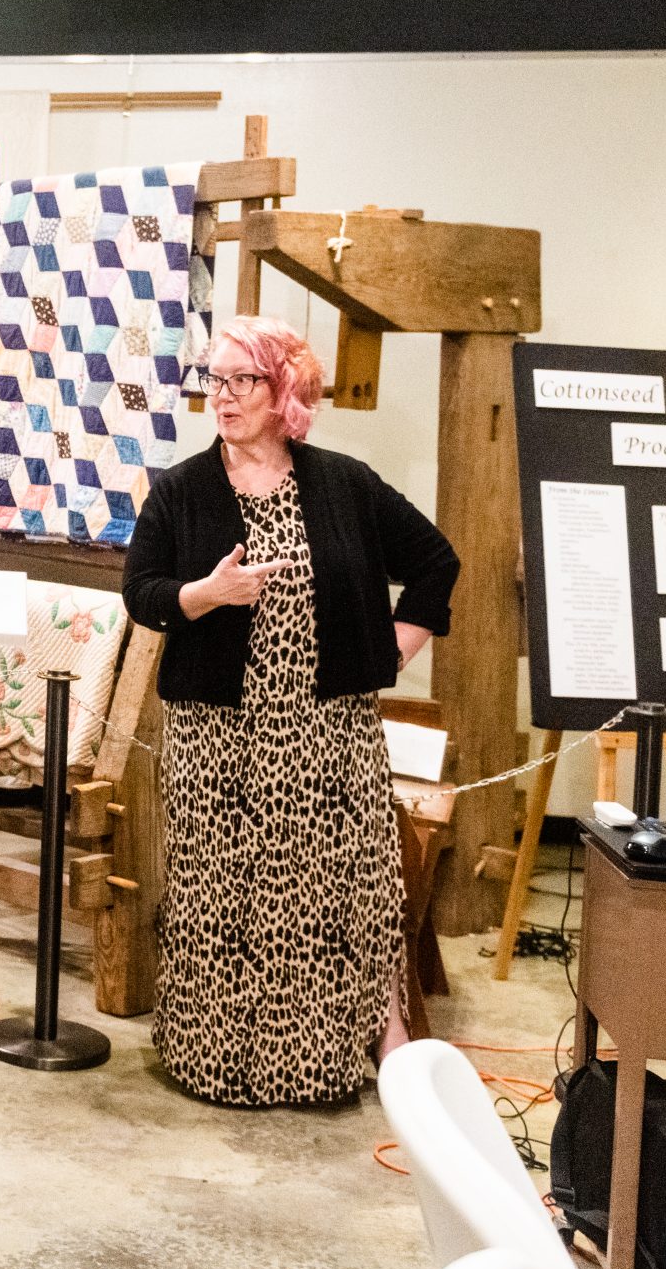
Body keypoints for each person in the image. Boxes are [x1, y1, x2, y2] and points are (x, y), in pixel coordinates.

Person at [121, 315, 460, 1108]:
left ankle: (333, 1057)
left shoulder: (343, 483)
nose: (224, 396)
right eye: (216, 378)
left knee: (330, 894)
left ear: (285, 393)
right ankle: (215, 1062)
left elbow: (435, 562)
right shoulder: (181, 489)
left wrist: (393, 652)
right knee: (222, 898)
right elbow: (141, 592)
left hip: (325, 732)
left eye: (243, 380)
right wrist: (207, 595)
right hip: (218, 737)